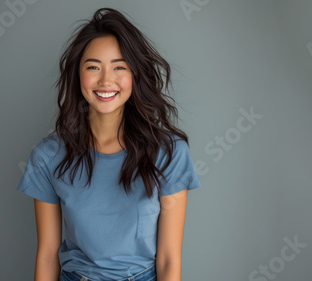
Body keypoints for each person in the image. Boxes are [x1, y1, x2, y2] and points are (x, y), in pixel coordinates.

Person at [17, 7, 202, 281]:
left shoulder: (169, 153)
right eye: (93, 67)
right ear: (77, 74)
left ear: (135, 74)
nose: (106, 80)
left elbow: (168, 260)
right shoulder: (48, 156)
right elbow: (46, 254)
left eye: (119, 67)